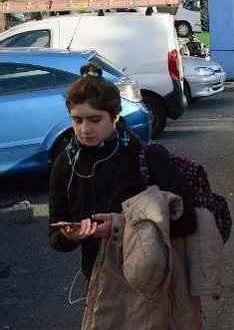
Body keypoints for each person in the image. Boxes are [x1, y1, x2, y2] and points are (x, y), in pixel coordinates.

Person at [48, 62, 200, 327]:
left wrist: (119, 227)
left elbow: (187, 220)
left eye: (95, 119)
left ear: (115, 116)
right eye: (77, 120)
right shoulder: (65, 164)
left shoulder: (148, 157)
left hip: (151, 285)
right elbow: (56, 237)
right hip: (100, 285)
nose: (85, 129)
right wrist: (69, 235)